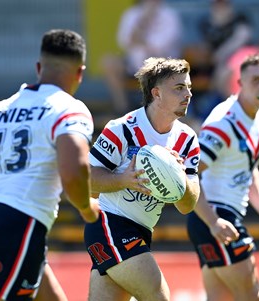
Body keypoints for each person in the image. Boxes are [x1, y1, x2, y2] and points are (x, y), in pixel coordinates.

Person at [0, 29, 99, 301]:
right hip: (18, 225)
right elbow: (75, 170)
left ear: (39, 67)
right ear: (80, 73)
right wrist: (87, 209)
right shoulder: (68, 108)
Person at [85, 57, 201, 301]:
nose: (188, 94)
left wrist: (179, 179)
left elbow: (187, 206)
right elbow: (86, 180)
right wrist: (125, 179)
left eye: (189, 87)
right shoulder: (123, 128)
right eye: (179, 88)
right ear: (156, 93)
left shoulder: (188, 140)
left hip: (142, 231)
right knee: (158, 297)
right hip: (109, 224)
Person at [186, 54, 259, 301]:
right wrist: (212, 221)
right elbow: (189, 174)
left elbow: (248, 166)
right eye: (255, 80)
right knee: (251, 297)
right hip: (216, 217)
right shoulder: (223, 123)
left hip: (215, 221)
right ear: (239, 82)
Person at [102, 0, 182, 114]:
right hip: (133, 64)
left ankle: (157, 112)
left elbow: (159, 47)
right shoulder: (132, 14)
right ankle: (122, 108)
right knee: (109, 62)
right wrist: (143, 21)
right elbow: (124, 42)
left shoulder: (169, 15)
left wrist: (138, 40)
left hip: (163, 66)